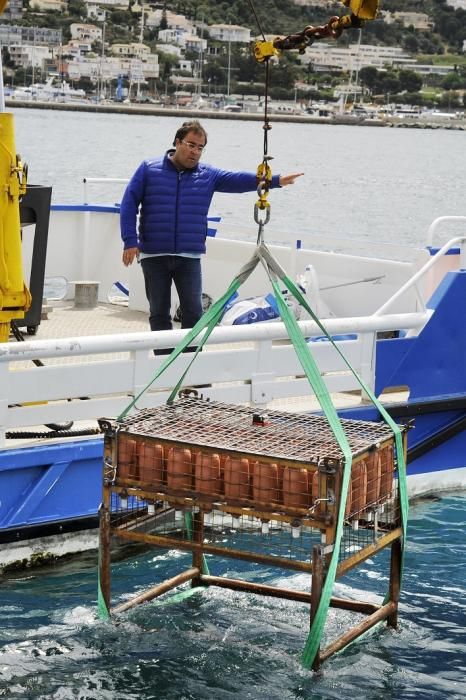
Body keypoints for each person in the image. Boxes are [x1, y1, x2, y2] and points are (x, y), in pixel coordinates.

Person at [120, 120, 303, 351]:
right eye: (191, 145)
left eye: (200, 147)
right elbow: (129, 204)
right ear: (177, 142)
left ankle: (189, 364)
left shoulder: (207, 175)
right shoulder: (149, 168)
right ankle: (164, 363)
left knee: (194, 313)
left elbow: (238, 180)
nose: (195, 151)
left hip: (189, 255)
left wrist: (274, 181)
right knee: (159, 312)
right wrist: (130, 241)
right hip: (154, 253)